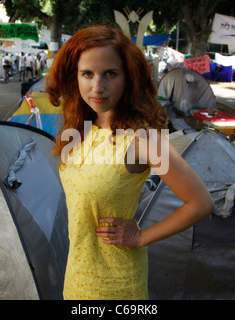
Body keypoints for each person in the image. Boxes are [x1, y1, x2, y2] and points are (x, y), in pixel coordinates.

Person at [46, 25, 214, 300]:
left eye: (110, 74)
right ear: (74, 76)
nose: (97, 87)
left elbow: (201, 203)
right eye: (87, 74)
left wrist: (140, 237)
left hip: (117, 287)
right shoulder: (79, 128)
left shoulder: (142, 138)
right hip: (76, 279)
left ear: (128, 77)